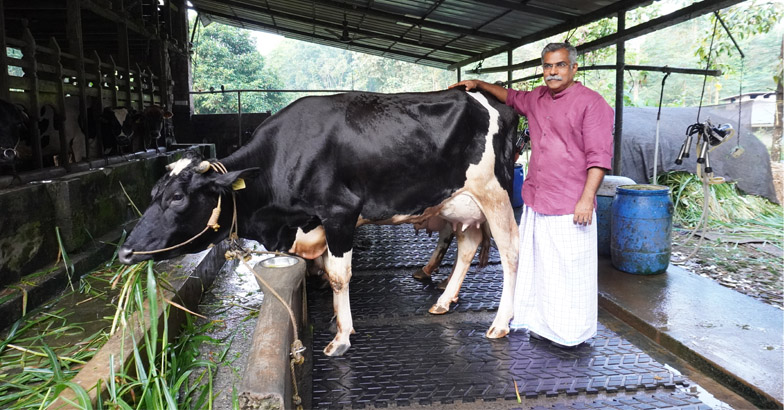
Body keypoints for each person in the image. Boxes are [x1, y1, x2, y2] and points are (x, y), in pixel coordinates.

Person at [449, 42, 614, 348]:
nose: (553, 72)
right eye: (548, 66)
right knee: (541, 267)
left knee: (570, 270)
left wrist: (585, 199)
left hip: (569, 204)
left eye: (560, 65)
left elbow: (599, 159)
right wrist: (478, 84)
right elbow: (510, 96)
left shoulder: (593, 104)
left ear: (574, 68)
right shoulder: (537, 98)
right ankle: (543, 326)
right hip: (538, 199)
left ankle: (570, 335)